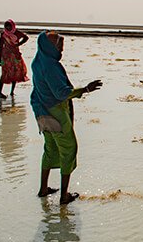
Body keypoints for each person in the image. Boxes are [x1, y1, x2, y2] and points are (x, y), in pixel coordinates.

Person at [31, 31, 102, 205]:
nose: (61, 50)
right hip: (55, 113)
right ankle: (64, 196)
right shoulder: (50, 65)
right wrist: (85, 89)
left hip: (40, 110)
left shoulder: (38, 61)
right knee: (68, 149)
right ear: (50, 47)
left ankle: (43, 189)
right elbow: (61, 93)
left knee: (50, 148)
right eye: (59, 46)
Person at [0, 19, 29, 98]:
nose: (8, 28)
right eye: (6, 26)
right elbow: (0, 46)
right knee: (5, 73)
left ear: (12, 26)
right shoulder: (3, 35)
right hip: (6, 57)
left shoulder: (17, 33)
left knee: (15, 73)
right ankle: (0, 92)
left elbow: (26, 37)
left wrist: (18, 44)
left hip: (15, 55)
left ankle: (12, 92)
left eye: (9, 26)